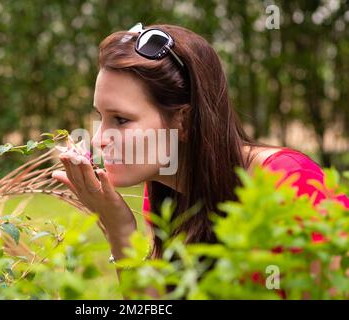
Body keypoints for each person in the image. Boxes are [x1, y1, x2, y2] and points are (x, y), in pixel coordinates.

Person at [51, 23, 349, 292]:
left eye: (121, 119)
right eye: (100, 117)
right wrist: (120, 229)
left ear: (183, 120)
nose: (100, 138)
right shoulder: (166, 194)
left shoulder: (291, 183)